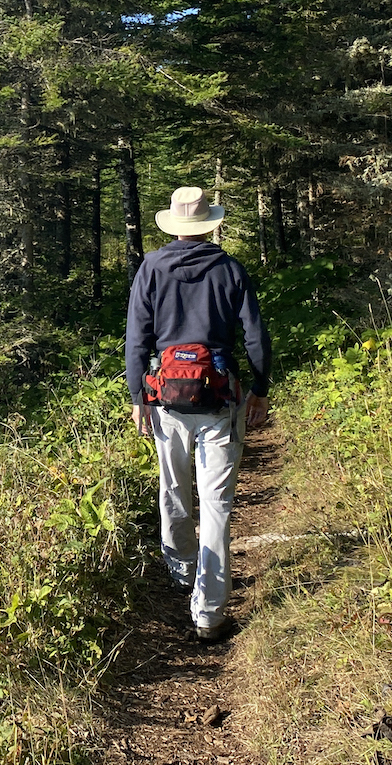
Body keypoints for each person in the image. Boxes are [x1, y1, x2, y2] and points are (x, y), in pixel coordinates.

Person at [124, 185, 271, 642]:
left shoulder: (150, 267)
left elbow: (136, 340)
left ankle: (184, 572)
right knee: (217, 505)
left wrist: (137, 397)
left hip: (166, 400)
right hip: (219, 400)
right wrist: (260, 389)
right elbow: (255, 337)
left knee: (173, 490)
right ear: (210, 225)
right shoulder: (229, 269)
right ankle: (208, 610)